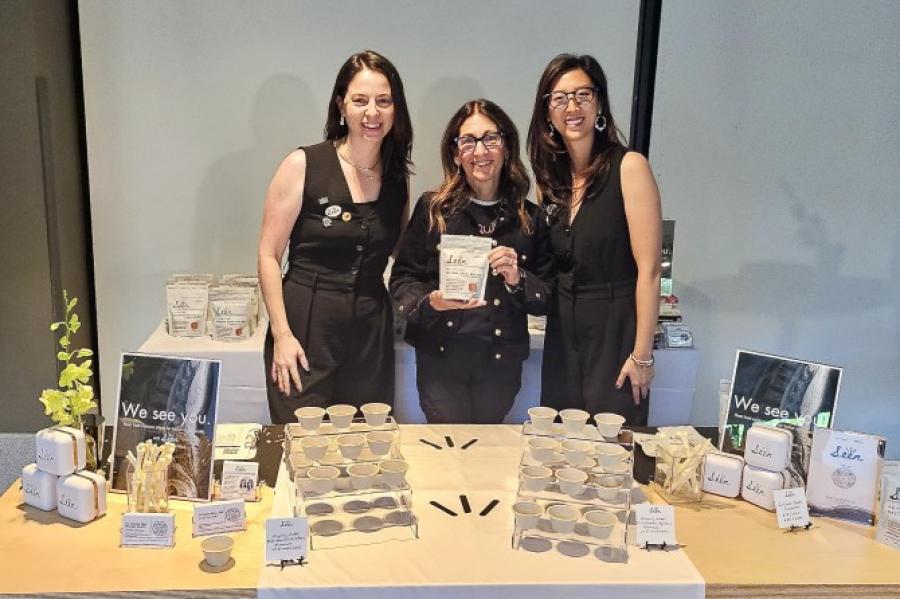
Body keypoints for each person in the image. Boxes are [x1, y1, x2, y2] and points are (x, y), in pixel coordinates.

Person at [258, 50, 413, 424]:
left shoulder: (396, 176)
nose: (372, 113)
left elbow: (404, 253)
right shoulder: (303, 164)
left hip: (370, 331)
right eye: (360, 101)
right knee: (302, 441)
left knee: (364, 445)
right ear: (341, 105)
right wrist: (282, 335)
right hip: (306, 326)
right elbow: (268, 253)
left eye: (383, 101)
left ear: (396, 109)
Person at [390, 99, 551, 423]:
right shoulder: (434, 209)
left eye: (490, 139)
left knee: (488, 453)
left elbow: (548, 295)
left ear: (506, 147)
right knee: (448, 454)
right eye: (468, 141)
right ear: (455, 153)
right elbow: (402, 279)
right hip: (440, 360)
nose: (480, 151)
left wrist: (518, 279)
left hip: (500, 363)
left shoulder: (530, 218)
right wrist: (430, 301)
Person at [527, 54, 662, 425]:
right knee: (559, 450)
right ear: (547, 113)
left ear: (599, 102)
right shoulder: (550, 181)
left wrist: (642, 355)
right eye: (559, 98)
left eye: (582, 95)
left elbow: (650, 271)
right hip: (562, 334)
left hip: (614, 332)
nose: (572, 107)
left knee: (610, 452)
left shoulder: (630, 167)